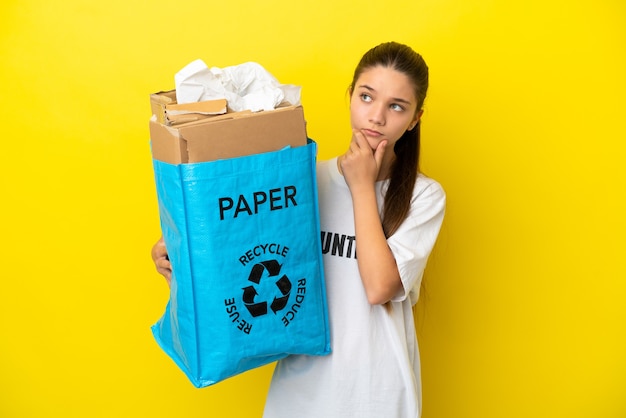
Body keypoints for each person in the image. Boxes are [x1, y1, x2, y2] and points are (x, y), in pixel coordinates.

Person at [151, 41, 446, 418]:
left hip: (378, 395)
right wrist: (178, 254)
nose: (376, 117)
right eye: (367, 97)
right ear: (350, 96)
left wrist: (360, 187)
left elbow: (379, 287)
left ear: (415, 118)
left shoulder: (424, 197)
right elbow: (243, 257)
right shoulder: (304, 181)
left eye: (396, 106)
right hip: (301, 393)